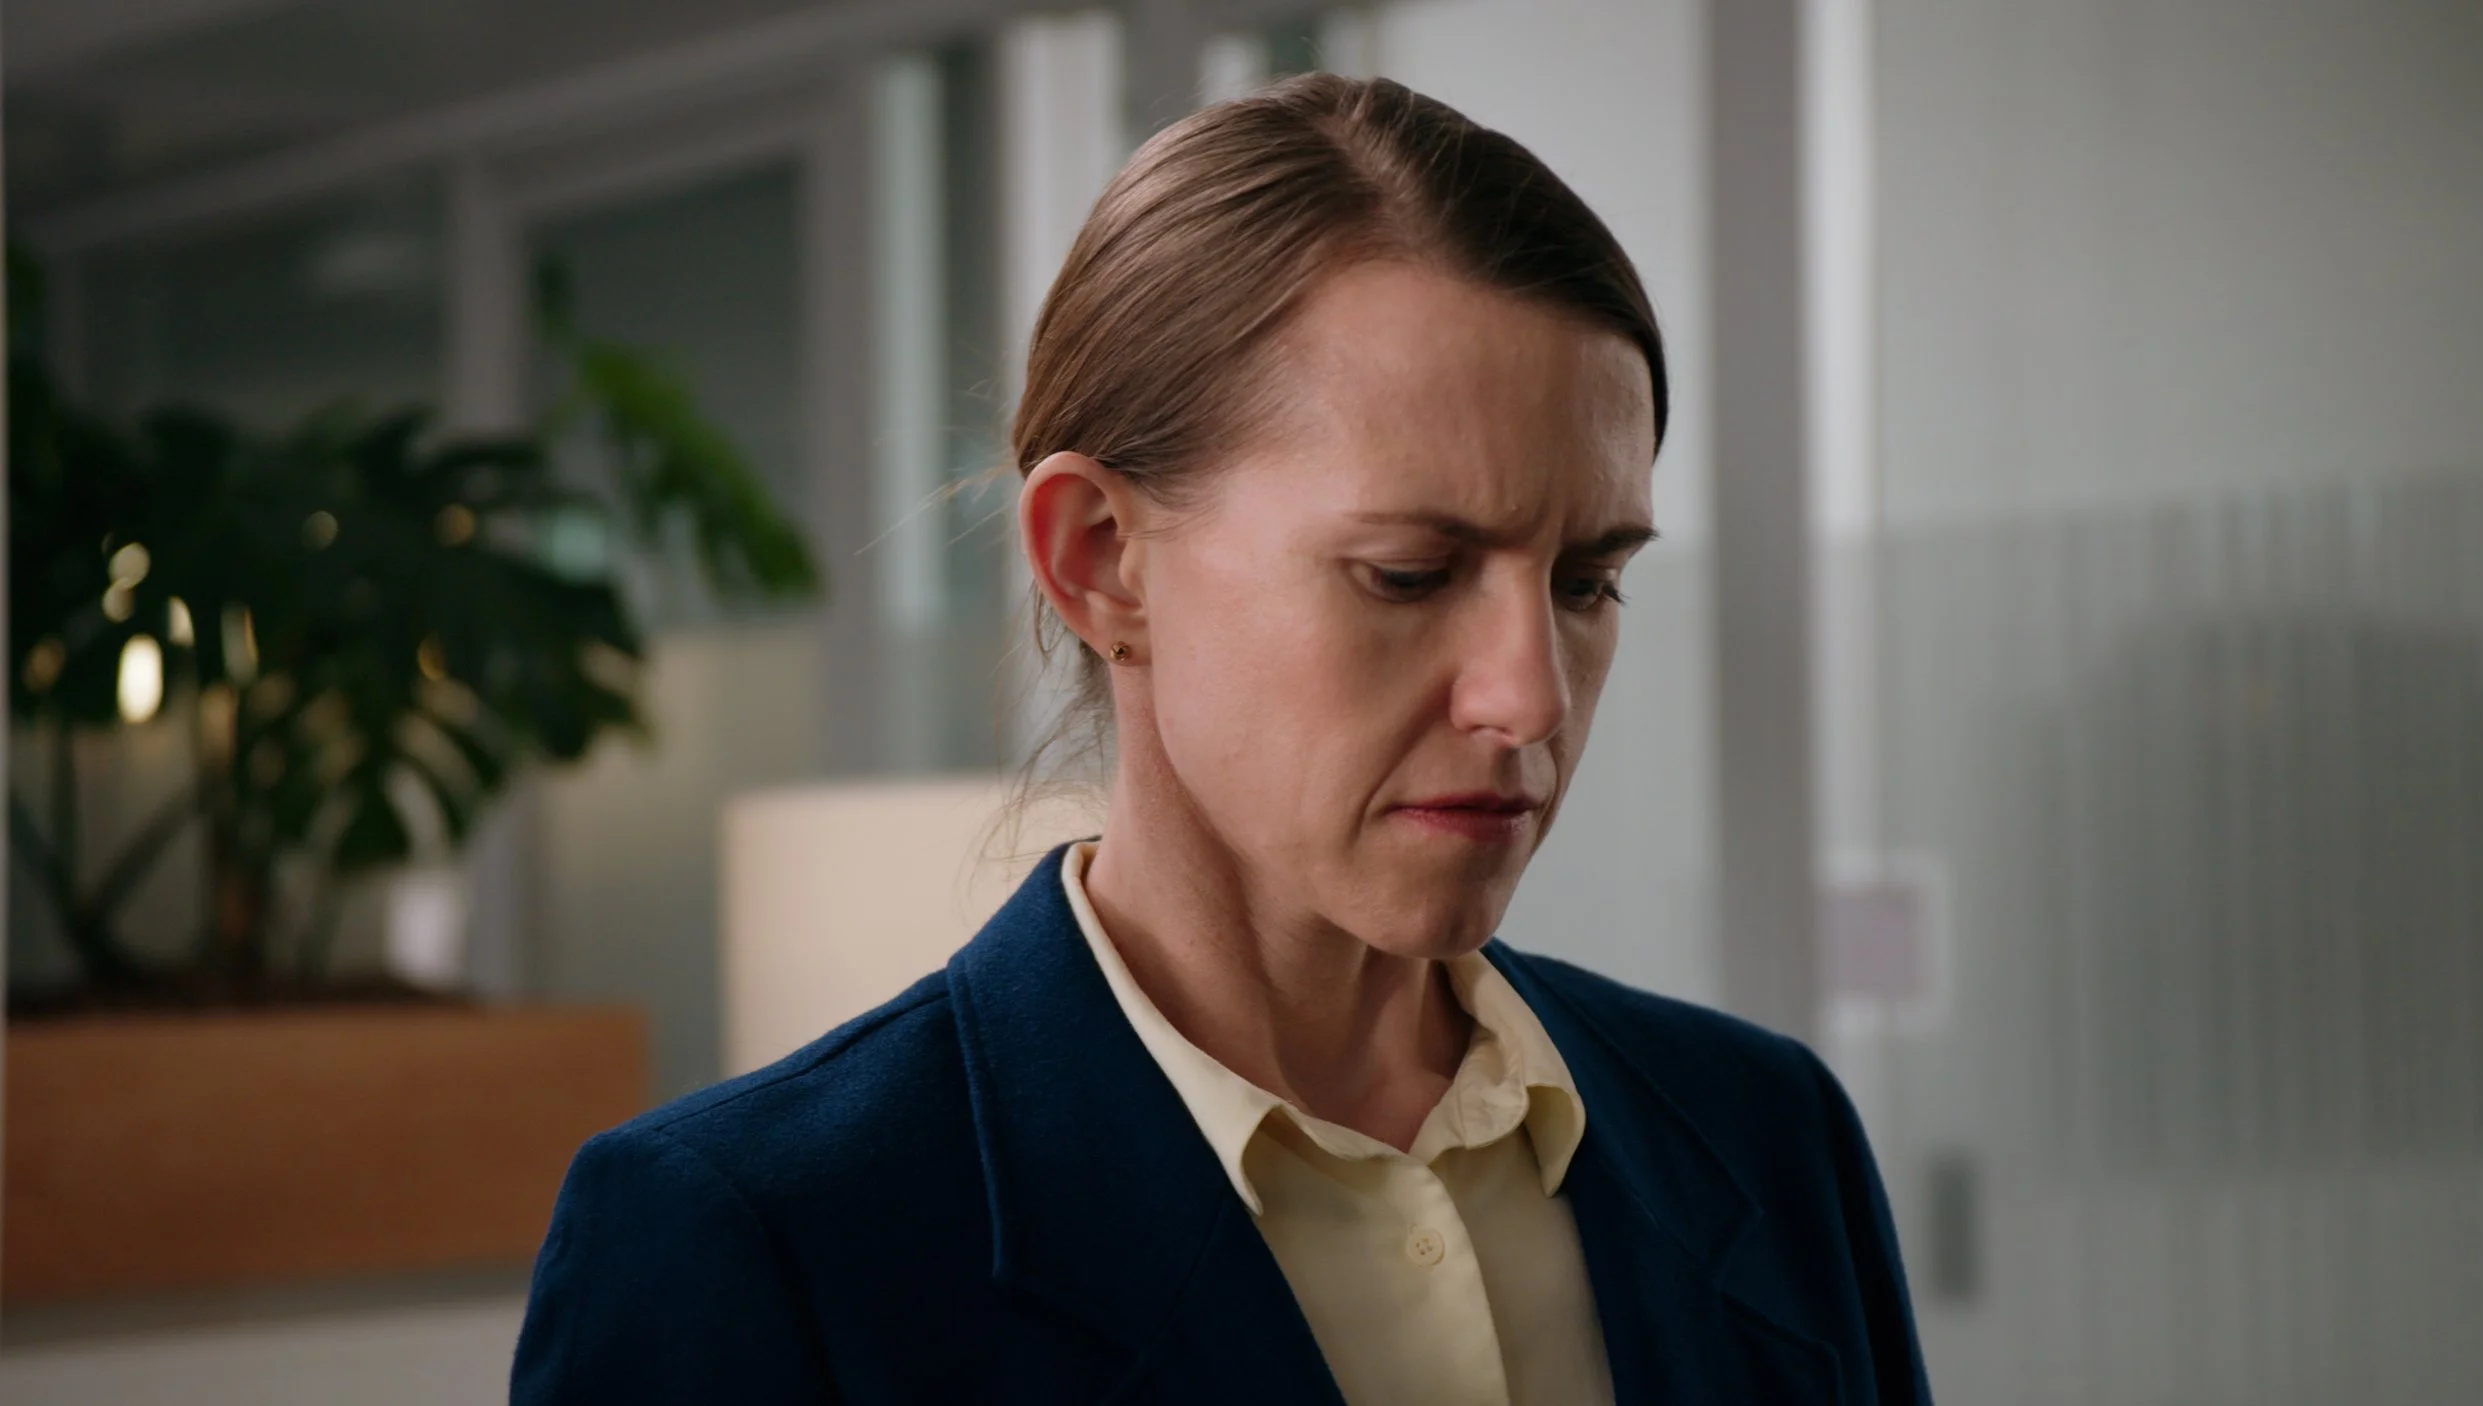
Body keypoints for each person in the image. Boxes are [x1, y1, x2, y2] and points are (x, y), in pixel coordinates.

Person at [512, 73, 1928, 1405]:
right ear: (1103, 561)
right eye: (1409, 574)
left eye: (1586, 580)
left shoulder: (1767, 1135)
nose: (1530, 698)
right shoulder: (751, 1247)